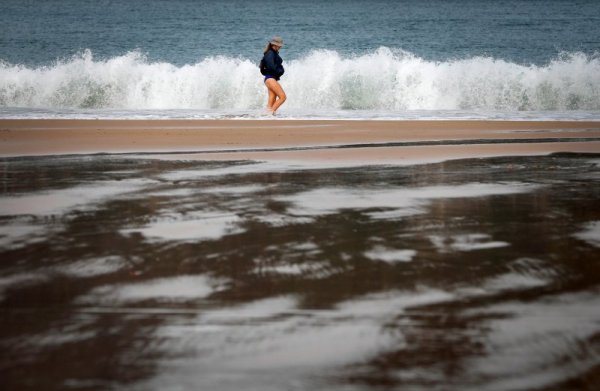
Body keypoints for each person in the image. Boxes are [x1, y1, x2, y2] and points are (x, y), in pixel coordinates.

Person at [260, 36, 286, 115]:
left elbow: (264, 68)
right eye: (279, 45)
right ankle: (271, 113)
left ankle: (266, 115)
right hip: (270, 78)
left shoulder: (271, 53)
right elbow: (271, 67)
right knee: (283, 97)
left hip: (269, 78)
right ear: (274, 45)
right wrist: (280, 71)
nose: (280, 47)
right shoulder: (270, 53)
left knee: (272, 98)